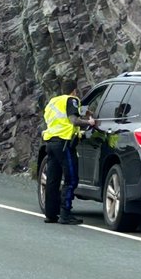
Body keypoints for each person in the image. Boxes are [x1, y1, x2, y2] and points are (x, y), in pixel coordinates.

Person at [41, 84, 97, 225]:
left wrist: (84, 112)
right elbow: (74, 120)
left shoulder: (53, 102)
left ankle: (50, 214)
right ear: (74, 91)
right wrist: (89, 122)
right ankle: (65, 213)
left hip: (50, 143)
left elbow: (59, 119)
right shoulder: (72, 100)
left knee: (52, 180)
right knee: (71, 179)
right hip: (64, 144)